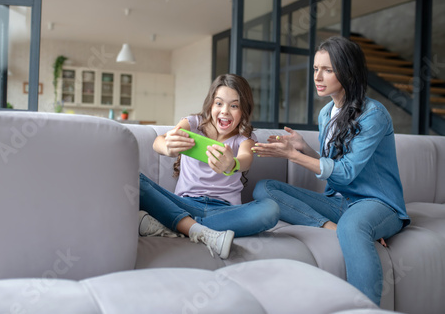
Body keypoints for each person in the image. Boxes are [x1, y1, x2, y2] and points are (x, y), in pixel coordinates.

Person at [251, 36, 410, 305]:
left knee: (354, 225)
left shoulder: (374, 115)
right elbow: (332, 166)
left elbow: (346, 172)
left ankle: (364, 310)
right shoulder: (326, 114)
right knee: (264, 188)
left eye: (328, 69)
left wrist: (294, 157)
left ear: (347, 71)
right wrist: (304, 149)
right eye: (315, 69)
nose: (318, 76)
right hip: (341, 202)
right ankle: (331, 226)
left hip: (378, 204)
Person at [139, 73, 280, 259]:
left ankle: (183, 227)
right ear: (211, 105)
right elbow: (160, 140)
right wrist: (167, 148)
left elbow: (246, 159)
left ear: (243, 110)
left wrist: (233, 163)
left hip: (225, 211)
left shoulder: (244, 138)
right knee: (134, 180)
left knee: (271, 209)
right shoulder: (193, 124)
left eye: (234, 105)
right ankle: (197, 230)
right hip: (184, 204)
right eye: (219, 103)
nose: (225, 111)